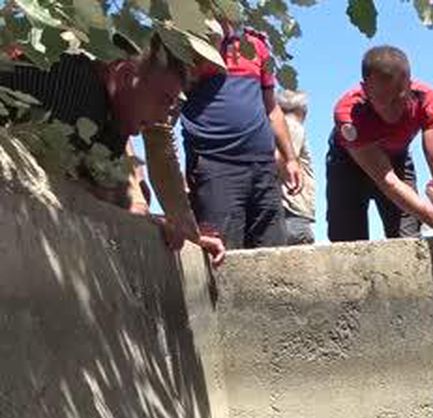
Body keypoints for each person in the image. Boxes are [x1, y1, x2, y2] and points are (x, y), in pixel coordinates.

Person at [0, 37, 225, 264]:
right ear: (125, 76)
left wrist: (185, 232)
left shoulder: (113, 114)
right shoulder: (74, 88)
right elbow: (71, 191)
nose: (161, 117)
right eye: (163, 100)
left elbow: (108, 190)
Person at [181, 22, 300, 251]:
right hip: (215, 165)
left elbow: (272, 108)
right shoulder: (192, 43)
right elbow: (170, 108)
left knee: (274, 253)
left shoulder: (254, 44)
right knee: (222, 254)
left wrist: (291, 158)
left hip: (263, 167)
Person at [326, 46, 433, 244]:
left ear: (409, 84)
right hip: (348, 165)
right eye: (382, 100)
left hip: (397, 158)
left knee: (408, 239)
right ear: (365, 90)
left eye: (399, 100)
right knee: (347, 240)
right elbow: (388, 180)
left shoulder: (426, 100)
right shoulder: (348, 114)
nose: (392, 110)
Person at [276, 89, 316, 245]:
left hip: (288, 212)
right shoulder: (291, 126)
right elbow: (280, 158)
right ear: (303, 110)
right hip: (292, 212)